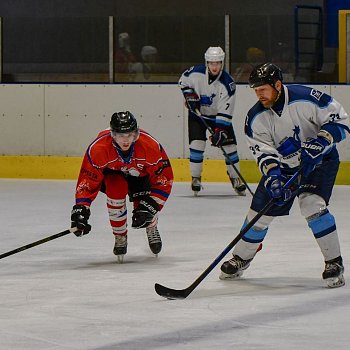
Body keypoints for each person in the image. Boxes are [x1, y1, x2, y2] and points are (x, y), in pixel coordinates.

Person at [220, 62, 350, 288]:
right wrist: (274, 177)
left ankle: (334, 263)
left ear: (277, 85)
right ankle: (241, 258)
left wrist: (321, 141)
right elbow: (264, 152)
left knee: (312, 205)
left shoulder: (306, 97)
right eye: (255, 90)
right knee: (259, 214)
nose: (259, 94)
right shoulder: (255, 118)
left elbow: (341, 120)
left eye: (263, 89)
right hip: (285, 167)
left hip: (320, 163)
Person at [70, 111, 173, 263]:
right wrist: (81, 209)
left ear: (136, 134)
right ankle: (120, 235)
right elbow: (87, 180)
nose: (126, 140)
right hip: (114, 175)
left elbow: (164, 179)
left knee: (144, 208)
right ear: (112, 135)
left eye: (130, 135)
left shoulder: (150, 146)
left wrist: (151, 206)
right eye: (120, 136)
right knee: (115, 189)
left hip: (140, 175)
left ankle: (151, 226)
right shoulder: (98, 149)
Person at [178, 46, 246, 196]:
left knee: (230, 147)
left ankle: (235, 179)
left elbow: (226, 110)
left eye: (217, 63)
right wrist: (189, 95)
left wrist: (220, 131)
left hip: (218, 118)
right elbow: (183, 81)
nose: (214, 66)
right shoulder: (195, 73)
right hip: (197, 116)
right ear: (207, 62)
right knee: (197, 145)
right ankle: (195, 178)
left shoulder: (228, 84)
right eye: (211, 63)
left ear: (222, 63)